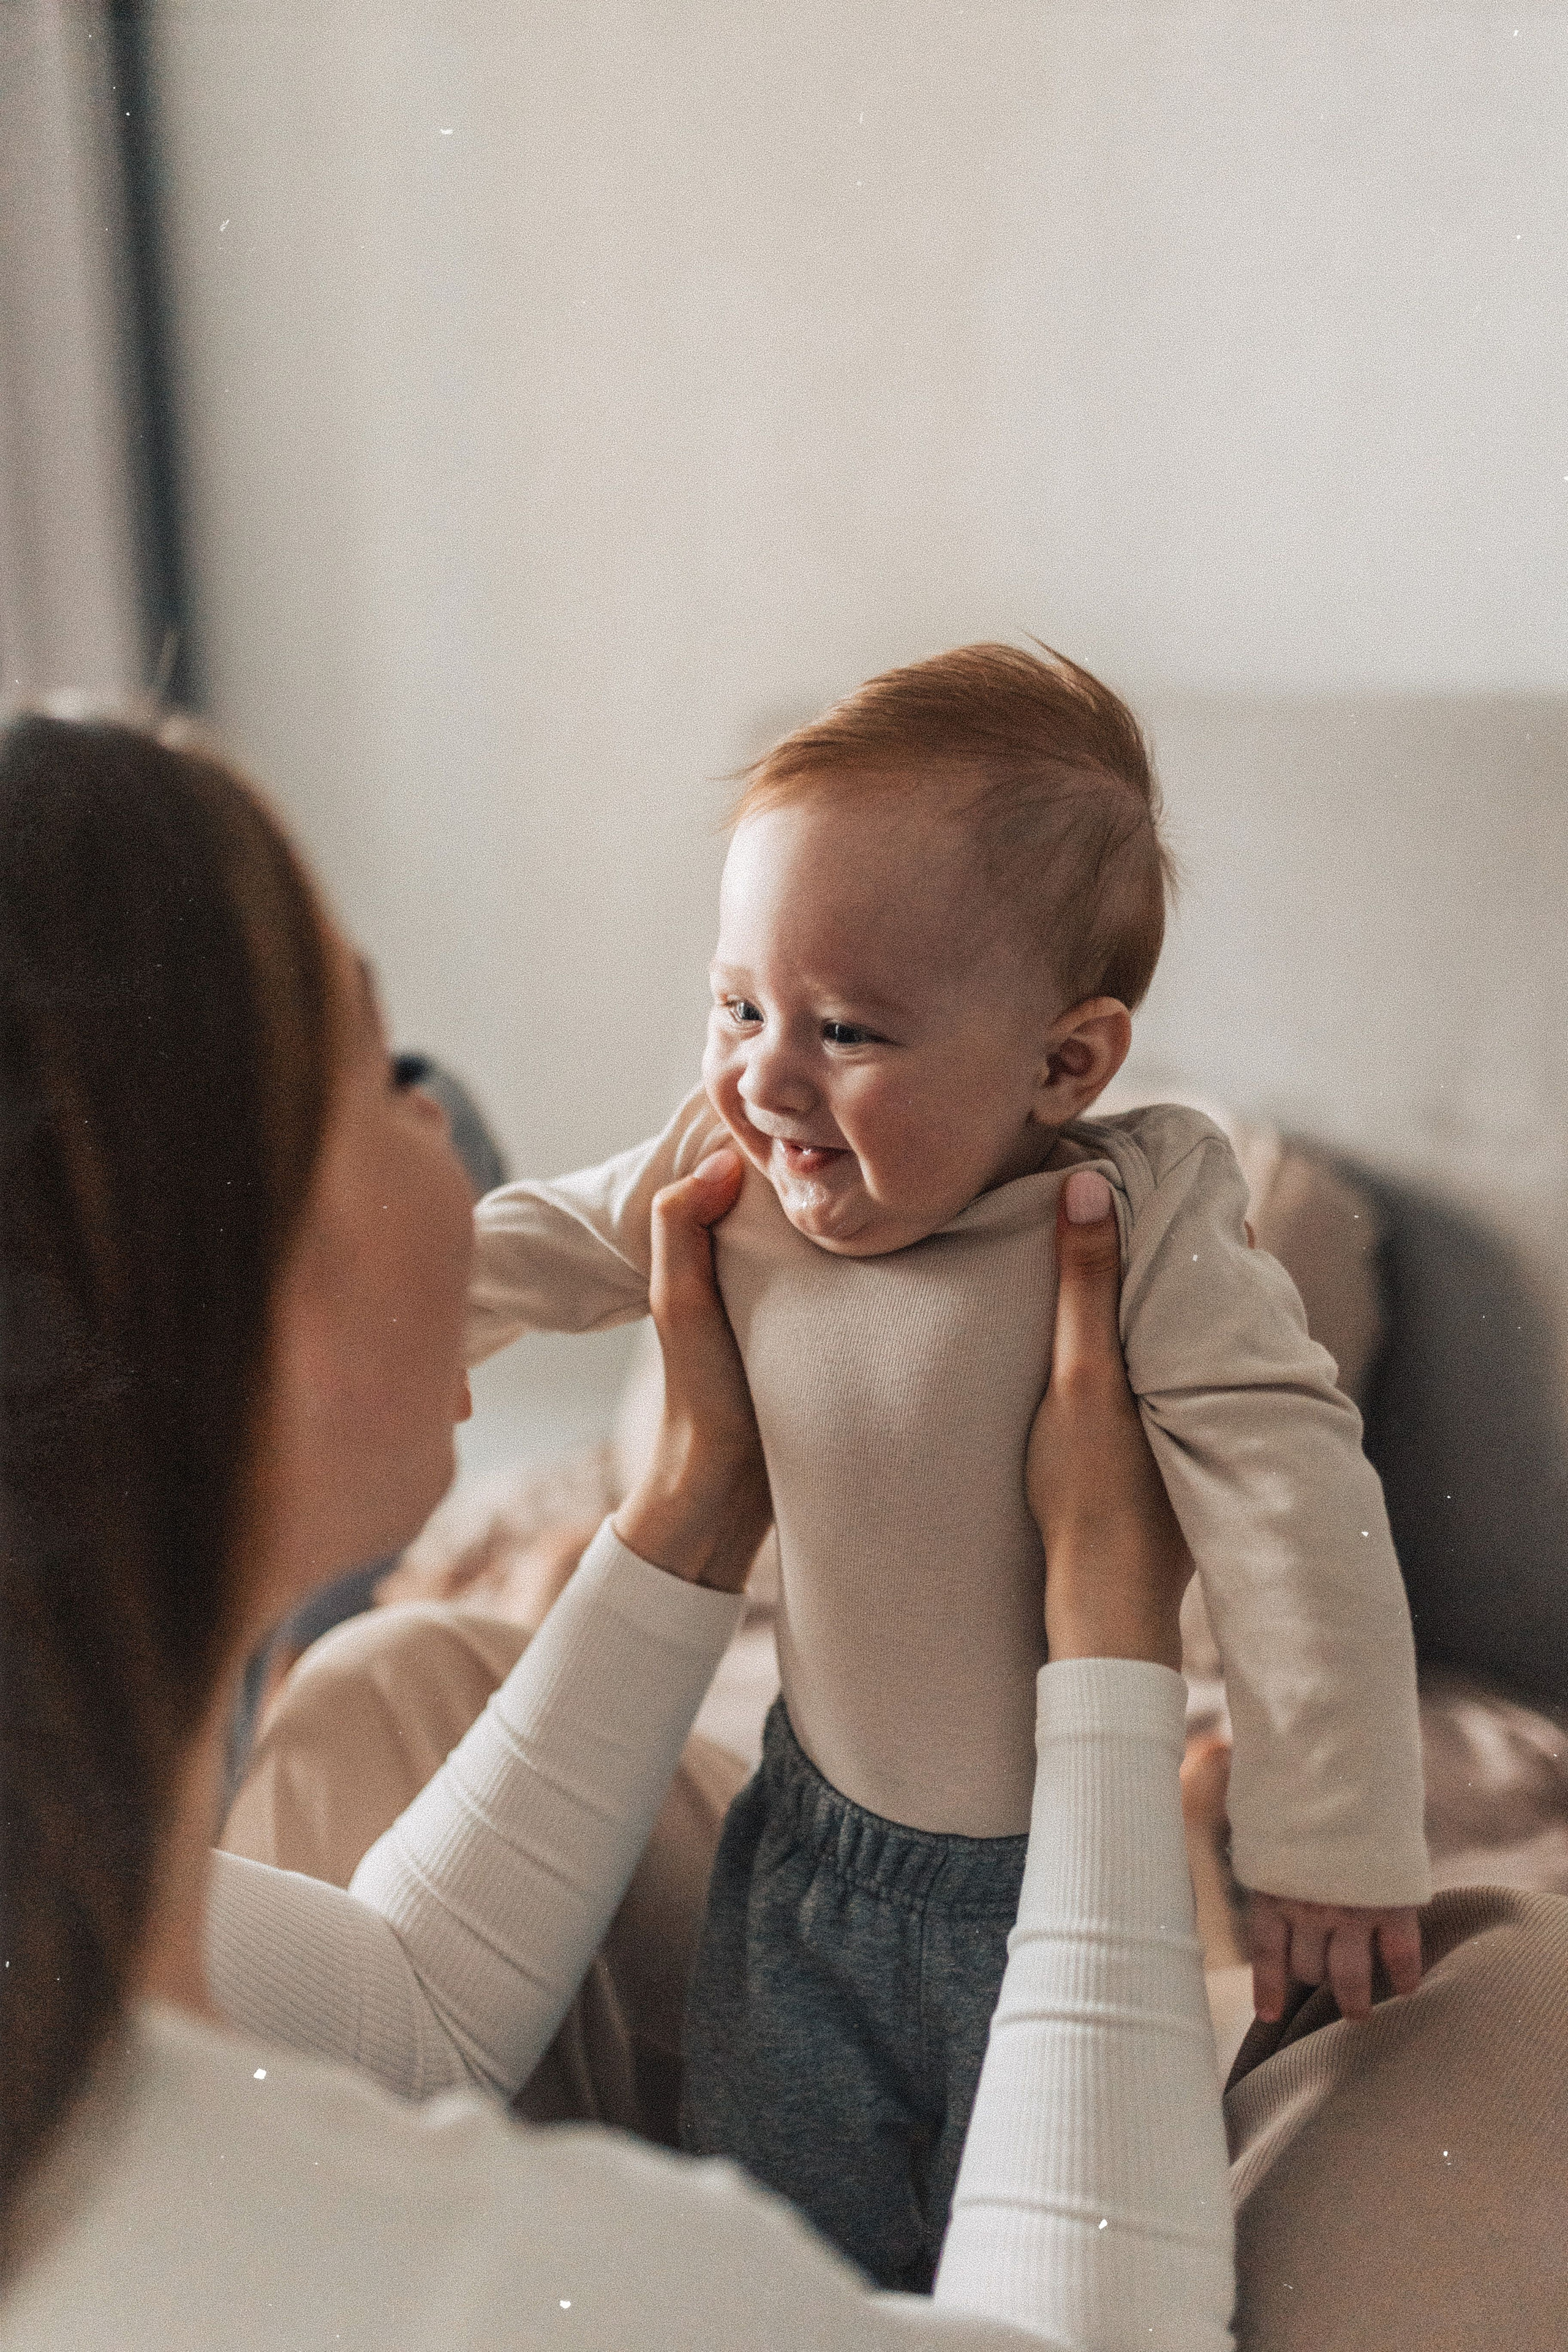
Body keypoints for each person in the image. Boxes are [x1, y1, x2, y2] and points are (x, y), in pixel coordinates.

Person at [0, 710, 1234, 2350]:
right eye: (379, 1079)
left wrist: (686, 1512)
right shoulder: (511, 2286)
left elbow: (404, 2008)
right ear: (204, 1292)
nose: (447, 1123)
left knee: (410, 1672)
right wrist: (1109, 1653)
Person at [461, 639, 1425, 2281]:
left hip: (1062, 1891)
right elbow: (528, 1245)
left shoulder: (1140, 1212)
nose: (767, 1074)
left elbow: (1292, 1494)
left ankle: (1194, 1839)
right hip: (806, 1860)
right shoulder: (736, 1162)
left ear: (1068, 1063)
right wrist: (294, 1324)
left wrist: (1335, 1829)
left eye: (847, 1028)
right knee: (777, 2257)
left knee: (1042, 2241)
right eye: (739, 1003)